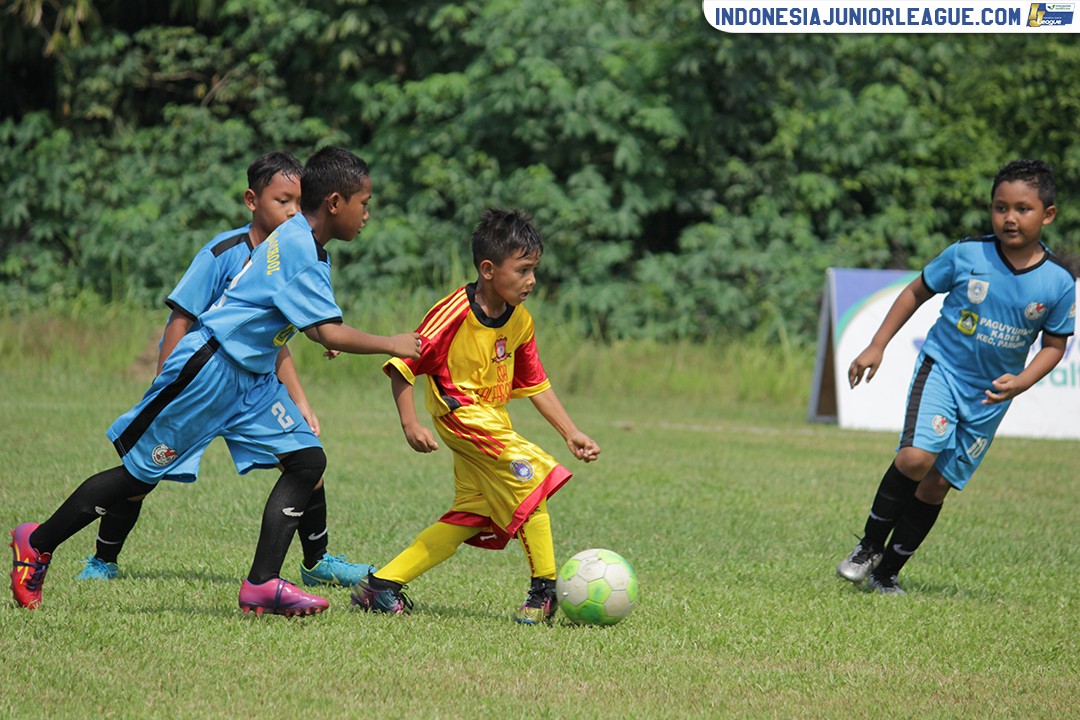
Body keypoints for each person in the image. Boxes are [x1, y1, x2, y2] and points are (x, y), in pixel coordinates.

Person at [10, 147, 421, 615]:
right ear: (333, 202)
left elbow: (297, 310)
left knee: (307, 460)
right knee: (139, 475)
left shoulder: (301, 242)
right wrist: (392, 342)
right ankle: (37, 543)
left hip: (253, 378)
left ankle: (262, 585)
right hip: (212, 369)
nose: (367, 214)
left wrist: (321, 328)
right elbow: (324, 329)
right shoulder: (299, 246)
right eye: (363, 203)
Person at [74, 151, 373, 590]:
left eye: (296, 200)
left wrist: (300, 400)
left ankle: (316, 560)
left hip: (249, 386)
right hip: (203, 377)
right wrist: (162, 385)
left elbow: (276, 342)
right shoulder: (227, 252)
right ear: (253, 200)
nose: (291, 210)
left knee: (306, 459)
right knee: (143, 473)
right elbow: (181, 318)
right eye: (282, 200)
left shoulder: (292, 250)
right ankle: (103, 558)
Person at [349, 208, 601, 624]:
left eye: (534, 270)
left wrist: (570, 431)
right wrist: (410, 422)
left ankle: (381, 586)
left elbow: (536, 383)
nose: (531, 281)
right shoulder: (452, 313)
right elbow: (404, 363)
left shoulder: (520, 321)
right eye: (522, 270)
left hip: (494, 420)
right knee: (530, 477)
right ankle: (545, 591)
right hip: (461, 417)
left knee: (473, 514)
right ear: (488, 269)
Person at [836, 159, 1076, 595]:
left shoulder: (1058, 283)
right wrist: (877, 345)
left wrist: (1023, 380)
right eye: (1000, 207)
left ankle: (886, 574)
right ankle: (868, 547)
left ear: (1048, 214)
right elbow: (914, 292)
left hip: (990, 397)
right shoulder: (967, 254)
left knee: (936, 485)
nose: (1009, 217)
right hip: (943, 371)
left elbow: (1054, 347)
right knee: (915, 458)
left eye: (1022, 208)